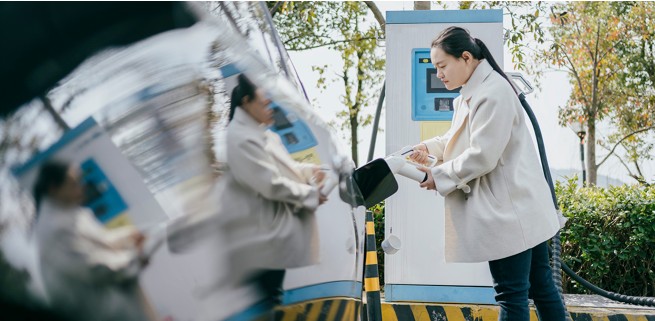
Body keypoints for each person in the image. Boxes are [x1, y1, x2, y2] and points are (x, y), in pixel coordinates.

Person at [410, 27, 567, 321]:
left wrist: (438, 177)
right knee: (541, 286)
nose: (439, 74)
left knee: (511, 294)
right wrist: (424, 147)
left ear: (466, 57)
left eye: (442, 66)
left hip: (509, 214)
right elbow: (456, 139)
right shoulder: (474, 92)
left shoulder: (492, 93)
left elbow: (482, 155)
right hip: (521, 208)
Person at [216, 74, 328, 311]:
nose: (270, 108)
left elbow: (284, 169)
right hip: (256, 239)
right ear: (246, 102)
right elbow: (270, 183)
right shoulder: (239, 138)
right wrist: (311, 196)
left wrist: (310, 171)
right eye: (264, 103)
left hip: (271, 236)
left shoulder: (263, 135)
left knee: (270, 300)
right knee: (265, 302)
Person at [32, 160, 155, 321]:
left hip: (120, 304)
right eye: (73, 183)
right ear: (53, 189)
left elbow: (101, 241)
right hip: (99, 311)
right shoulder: (53, 228)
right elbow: (94, 268)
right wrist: (135, 258)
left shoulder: (70, 212)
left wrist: (129, 235)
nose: (81, 187)